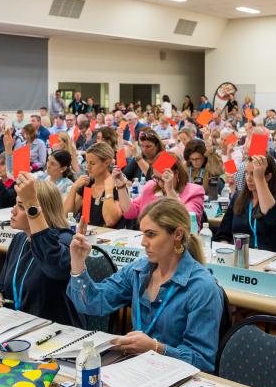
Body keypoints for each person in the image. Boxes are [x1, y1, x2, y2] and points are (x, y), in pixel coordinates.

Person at [68, 197, 222, 371]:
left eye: (151, 234)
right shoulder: (138, 271)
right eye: (142, 233)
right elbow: (92, 303)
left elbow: (202, 361)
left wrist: (157, 348)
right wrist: (78, 264)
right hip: (136, 370)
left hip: (174, 377)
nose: (143, 242)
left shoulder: (202, 287)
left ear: (177, 235)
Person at [0, 175, 82, 326]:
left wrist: (32, 204)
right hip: (20, 325)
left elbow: (53, 265)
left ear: (42, 212)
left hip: (55, 331)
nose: (13, 211)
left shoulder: (66, 241)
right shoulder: (20, 240)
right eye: (16, 204)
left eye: (22, 206)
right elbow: (4, 283)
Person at [214, 155, 276, 255]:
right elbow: (223, 234)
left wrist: (260, 179)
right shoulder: (238, 197)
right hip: (240, 258)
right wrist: (226, 251)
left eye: (253, 174)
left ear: (268, 177)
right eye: (246, 173)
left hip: (272, 262)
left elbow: (273, 217)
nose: (248, 178)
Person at [117, 154, 205, 224]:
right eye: (156, 178)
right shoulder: (151, 186)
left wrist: (170, 191)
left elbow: (186, 222)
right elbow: (130, 212)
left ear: (176, 174)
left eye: (163, 179)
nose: (159, 183)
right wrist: (121, 187)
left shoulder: (195, 191)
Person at [64, 143, 124, 228]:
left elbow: (110, 221)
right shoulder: (88, 185)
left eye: (92, 163)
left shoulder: (117, 185)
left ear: (106, 162)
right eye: (87, 162)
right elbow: (66, 215)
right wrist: (74, 188)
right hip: (87, 235)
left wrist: (108, 190)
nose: (87, 167)